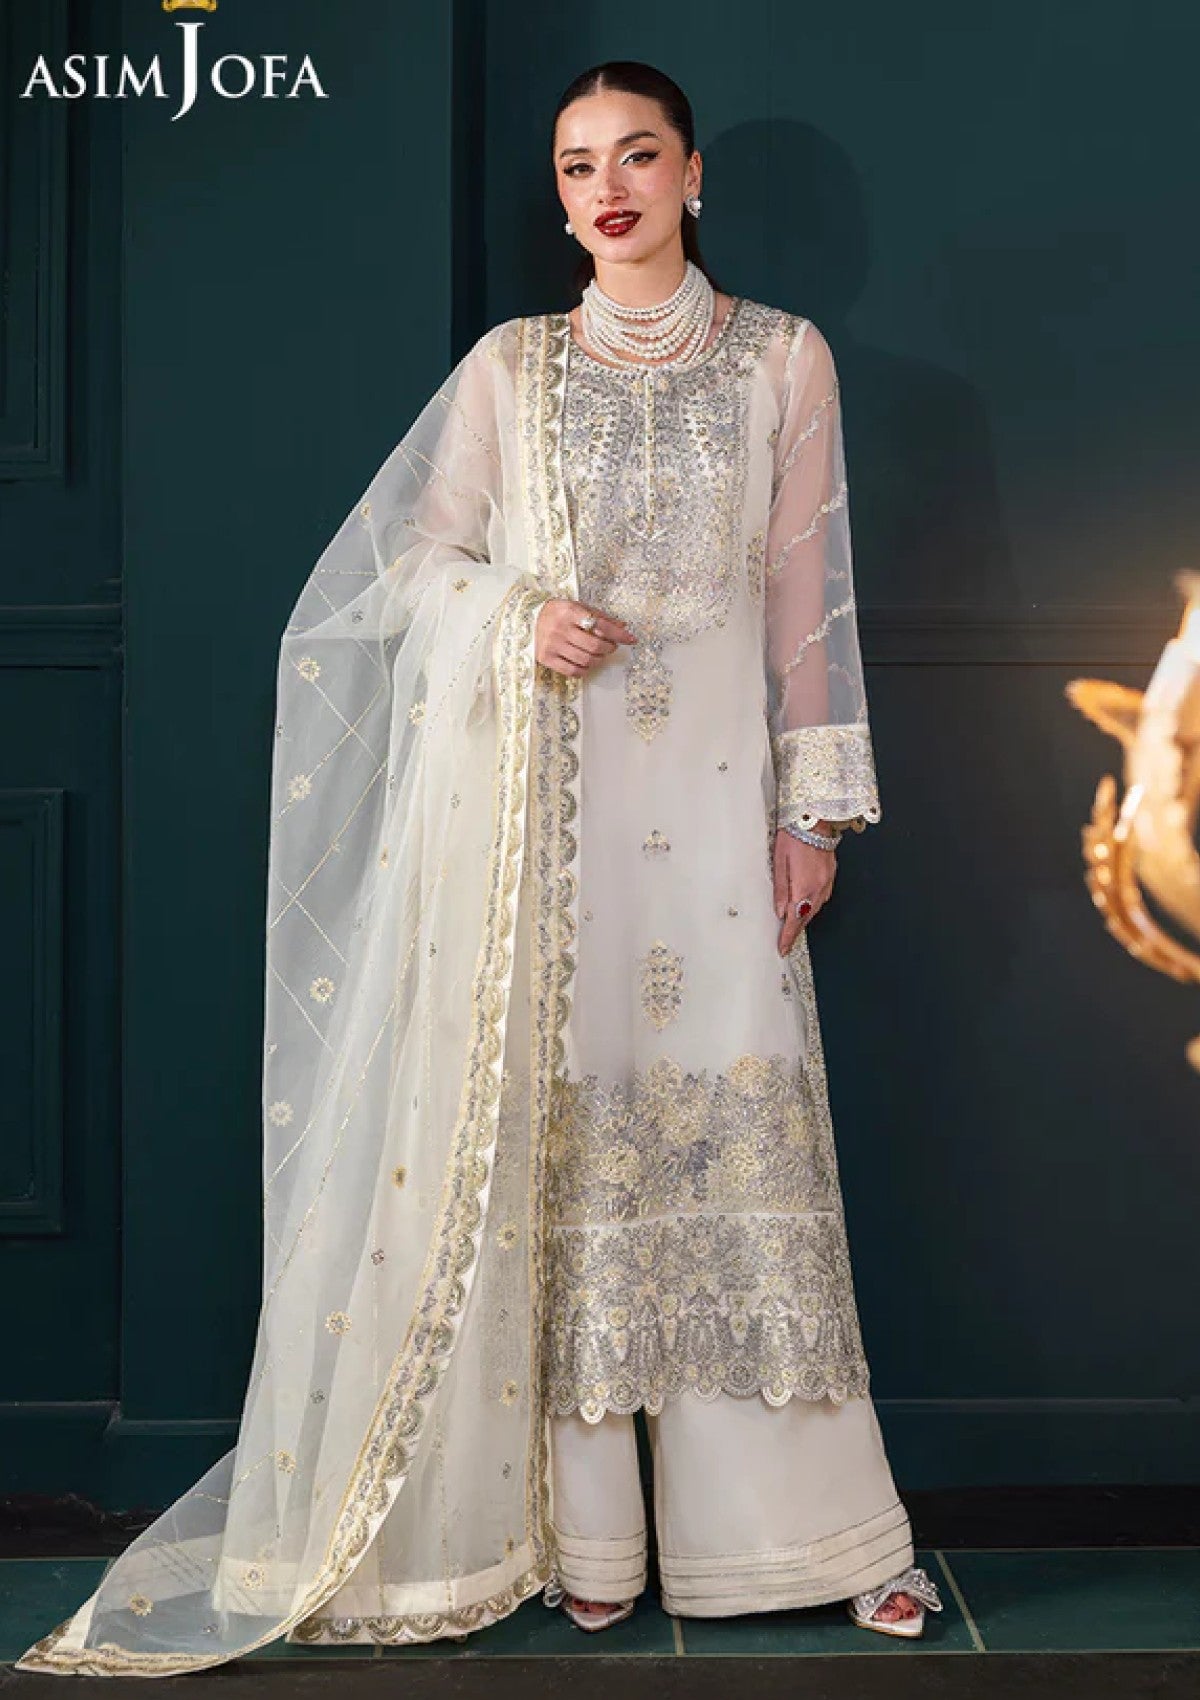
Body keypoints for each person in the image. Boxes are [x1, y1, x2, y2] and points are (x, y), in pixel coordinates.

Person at [17, 59, 939, 1678]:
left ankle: (809, 1541)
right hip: (550, 824)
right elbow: (409, 568)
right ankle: (590, 1541)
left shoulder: (785, 360)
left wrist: (813, 817)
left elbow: (809, 604)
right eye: (579, 166)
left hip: (722, 817)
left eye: (638, 156)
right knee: (569, 1151)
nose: (609, 190)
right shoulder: (516, 368)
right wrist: (521, 617)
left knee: (738, 1145)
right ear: (560, 198)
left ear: (694, 175)